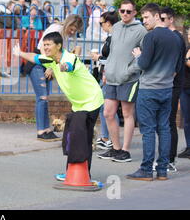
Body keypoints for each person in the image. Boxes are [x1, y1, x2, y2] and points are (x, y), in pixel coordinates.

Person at [14, 31, 104, 178]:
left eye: (49, 45)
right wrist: (20, 53)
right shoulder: (51, 60)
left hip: (91, 100)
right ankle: (73, 172)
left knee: (82, 137)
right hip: (79, 105)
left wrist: (64, 68)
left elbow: (69, 65)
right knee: (72, 135)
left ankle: (83, 173)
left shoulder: (69, 57)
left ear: (59, 46)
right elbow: (35, 57)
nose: (46, 48)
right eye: (44, 45)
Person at [127, 3, 182, 181]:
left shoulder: (151, 37)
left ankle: (146, 169)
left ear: (157, 16)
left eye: (146, 17)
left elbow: (143, 64)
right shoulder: (176, 38)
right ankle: (162, 170)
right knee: (164, 128)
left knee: (148, 130)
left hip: (149, 89)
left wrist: (137, 56)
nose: (144, 21)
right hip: (167, 88)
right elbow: (178, 66)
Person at [98, 0, 147, 163]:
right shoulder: (116, 27)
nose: (125, 14)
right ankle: (116, 148)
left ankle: (125, 150)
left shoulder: (141, 30)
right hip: (111, 77)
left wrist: (129, 71)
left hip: (129, 79)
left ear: (134, 13)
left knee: (127, 114)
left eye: (128, 11)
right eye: (122, 11)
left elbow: (142, 56)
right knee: (108, 113)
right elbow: (112, 52)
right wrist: (107, 69)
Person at [24, 14, 83, 141]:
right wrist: (50, 66)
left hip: (49, 65)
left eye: (75, 30)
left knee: (45, 98)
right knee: (42, 97)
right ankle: (41, 131)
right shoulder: (55, 29)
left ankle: (47, 129)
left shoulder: (65, 36)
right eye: (71, 28)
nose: (72, 32)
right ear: (67, 23)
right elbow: (43, 47)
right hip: (39, 64)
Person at [158, 7, 186, 172]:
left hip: (173, 84)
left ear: (171, 19)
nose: (161, 22)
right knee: (163, 122)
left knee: (168, 122)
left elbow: (177, 63)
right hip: (166, 83)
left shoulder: (176, 38)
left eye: (163, 19)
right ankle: (165, 156)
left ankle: (170, 159)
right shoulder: (167, 36)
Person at [90, 11, 119, 150]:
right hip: (105, 74)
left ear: (108, 23)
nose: (101, 25)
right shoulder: (111, 37)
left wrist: (99, 59)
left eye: (101, 23)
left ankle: (111, 139)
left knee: (109, 109)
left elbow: (114, 59)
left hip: (109, 75)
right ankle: (106, 137)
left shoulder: (114, 38)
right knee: (105, 107)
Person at [177, 29, 190, 159]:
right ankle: (188, 147)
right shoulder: (186, 48)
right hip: (185, 87)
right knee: (186, 119)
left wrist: (185, 59)